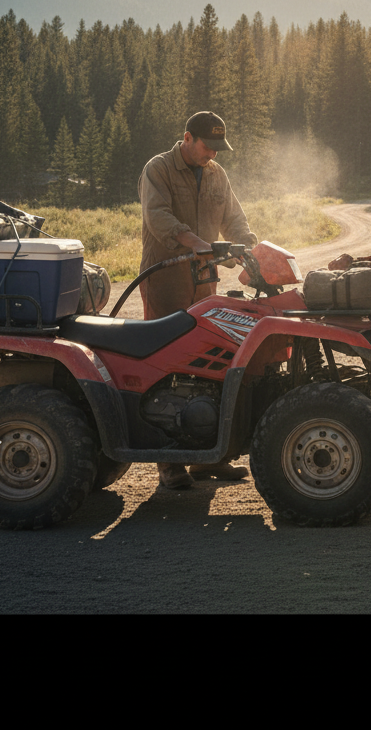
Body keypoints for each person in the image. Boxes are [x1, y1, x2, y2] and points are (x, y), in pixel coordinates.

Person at [138, 111, 258, 489]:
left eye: (218, 149)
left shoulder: (216, 174)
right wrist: (199, 244)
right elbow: (158, 218)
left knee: (210, 362)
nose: (214, 155)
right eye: (208, 147)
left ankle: (209, 458)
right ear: (187, 138)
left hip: (204, 283)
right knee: (166, 365)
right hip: (165, 278)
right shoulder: (157, 169)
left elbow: (234, 218)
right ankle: (169, 463)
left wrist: (249, 248)